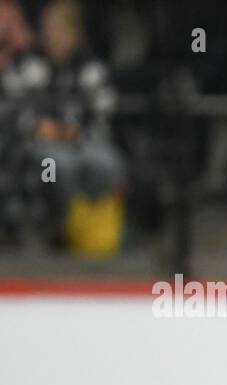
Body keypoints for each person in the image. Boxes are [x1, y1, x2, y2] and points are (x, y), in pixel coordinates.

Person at [11, 0, 124, 248]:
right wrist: (37, 125)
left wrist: (80, 131)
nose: (52, 37)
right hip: (41, 145)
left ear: (74, 34)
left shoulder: (89, 66)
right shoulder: (31, 63)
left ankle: (94, 231)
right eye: (48, 30)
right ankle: (62, 228)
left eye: (59, 31)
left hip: (83, 141)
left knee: (107, 163)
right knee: (58, 166)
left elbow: (104, 109)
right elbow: (15, 107)